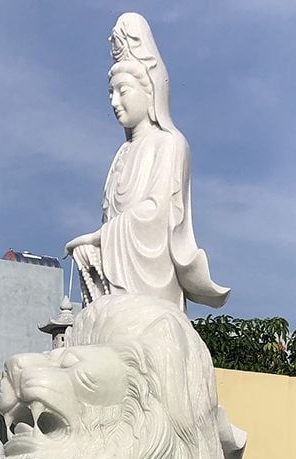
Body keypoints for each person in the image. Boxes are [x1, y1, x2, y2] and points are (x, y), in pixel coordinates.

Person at [66, 12, 229, 312]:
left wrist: (101, 237)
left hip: (151, 282)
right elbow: (113, 217)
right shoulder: (122, 153)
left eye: (123, 91)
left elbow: (157, 213)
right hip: (118, 275)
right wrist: (95, 246)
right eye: (111, 93)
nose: (114, 102)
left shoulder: (169, 143)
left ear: (150, 90)